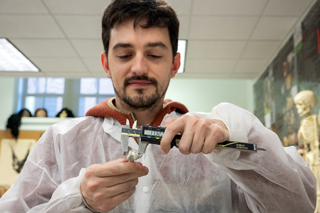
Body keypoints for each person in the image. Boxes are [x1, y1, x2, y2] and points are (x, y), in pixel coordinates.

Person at [0, 0, 316, 212]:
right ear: (106, 64)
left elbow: (297, 205)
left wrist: (240, 144)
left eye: (154, 55)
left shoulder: (214, 139)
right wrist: (76, 199)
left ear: (175, 64)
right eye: (124, 55)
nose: (138, 68)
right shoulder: (61, 140)